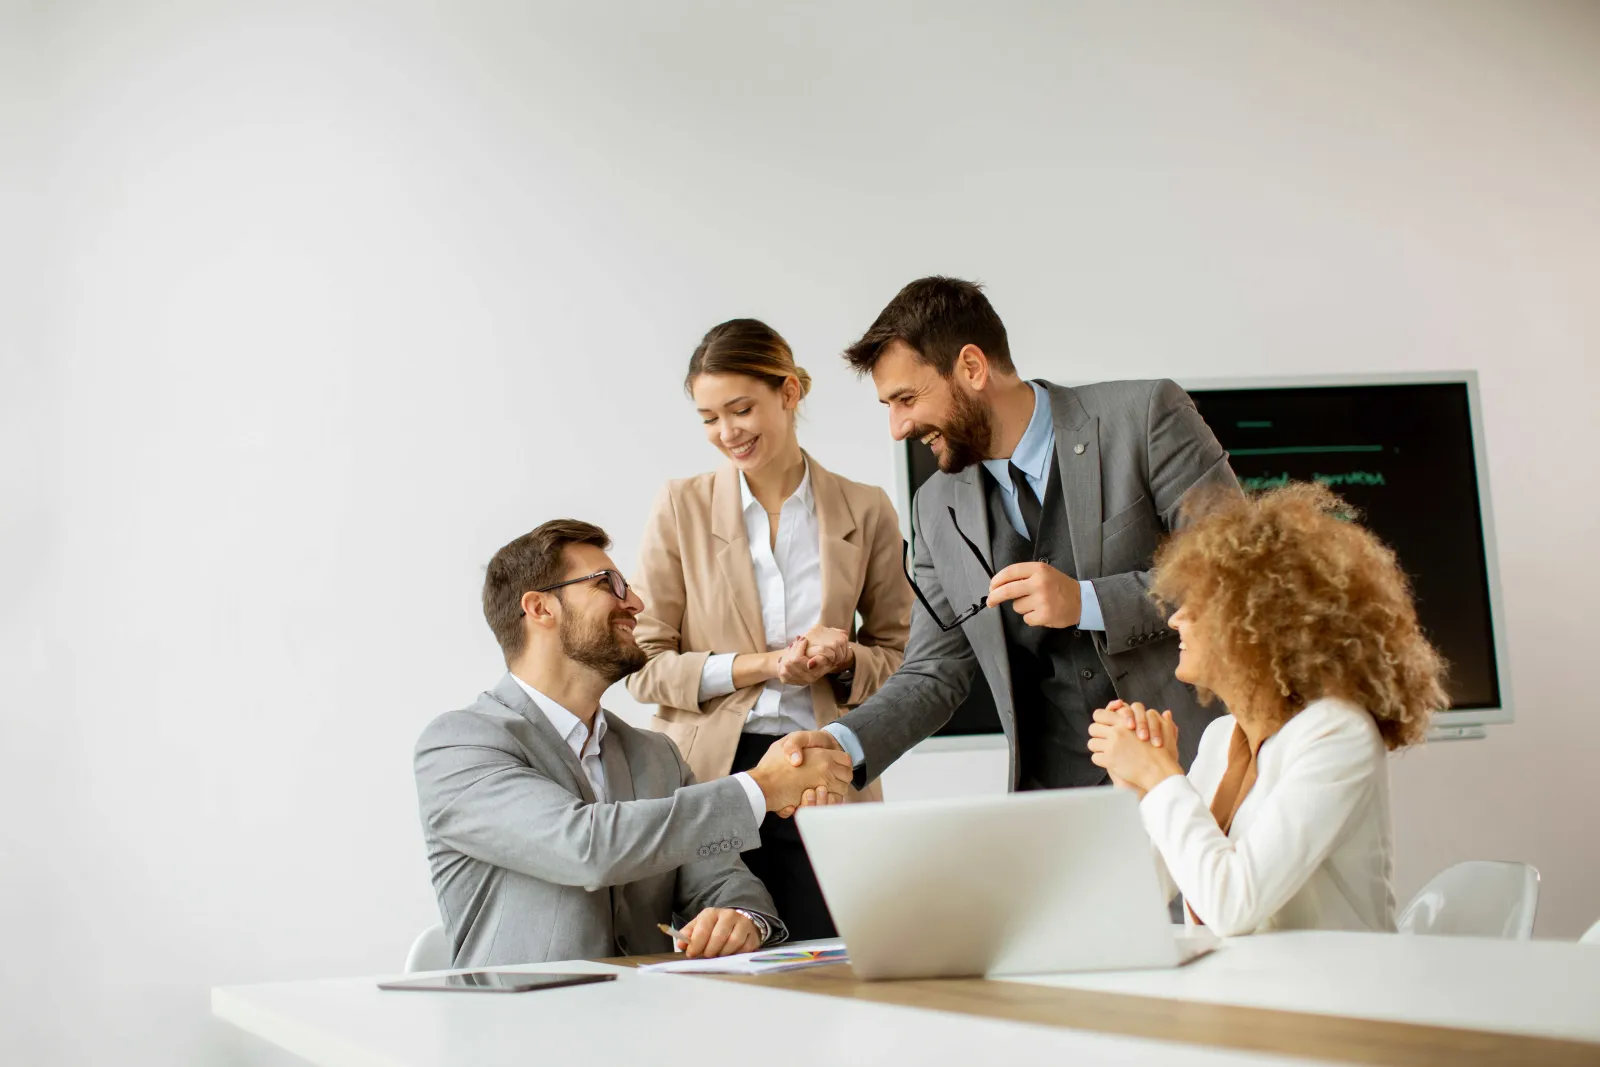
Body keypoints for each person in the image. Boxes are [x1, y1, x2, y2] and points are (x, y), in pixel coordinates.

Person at [779, 276, 1241, 796]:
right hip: (1054, 801)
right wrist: (839, 745)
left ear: (972, 367)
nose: (898, 426)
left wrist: (1085, 601)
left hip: (1197, 772)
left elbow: (1237, 575)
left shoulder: (1147, 416)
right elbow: (934, 671)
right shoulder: (934, 507)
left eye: (907, 398)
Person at [413, 519, 853, 967]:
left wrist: (738, 916)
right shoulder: (459, 746)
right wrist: (762, 786)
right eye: (610, 585)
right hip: (518, 1025)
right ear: (540, 608)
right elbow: (587, 847)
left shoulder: (656, 754)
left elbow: (724, 881)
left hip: (651, 1022)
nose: (636, 603)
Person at [627, 318, 913, 940]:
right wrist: (763, 665)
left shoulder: (866, 510)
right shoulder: (682, 506)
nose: (727, 432)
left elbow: (904, 657)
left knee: (832, 969)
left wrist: (843, 662)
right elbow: (645, 667)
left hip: (824, 777)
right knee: (715, 978)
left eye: (741, 409)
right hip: (710, 780)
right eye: (709, 417)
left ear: (788, 392)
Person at [1087, 483, 1446, 935]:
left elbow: (1231, 907)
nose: (1174, 619)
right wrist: (1137, 787)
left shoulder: (1336, 734)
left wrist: (1161, 777)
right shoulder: (1223, 738)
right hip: (1242, 990)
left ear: (1254, 623)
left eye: (1195, 606)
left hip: (1337, 997)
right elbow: (1136, 898)